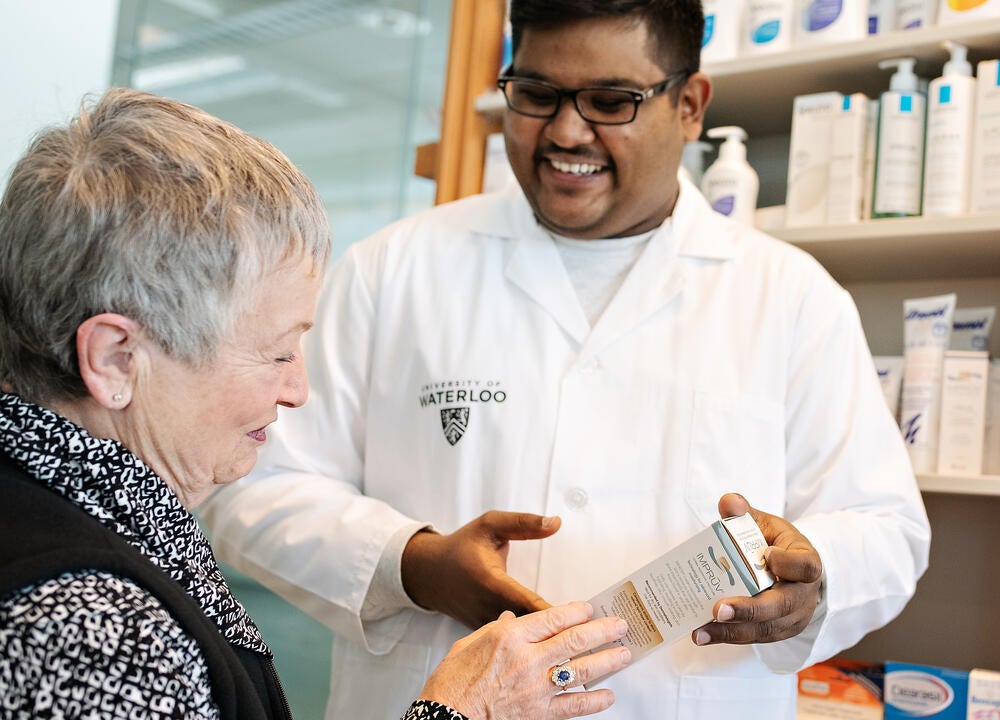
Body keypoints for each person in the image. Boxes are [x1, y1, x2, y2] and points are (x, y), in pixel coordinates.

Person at [200, 0, 931, 717]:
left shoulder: (791, 296)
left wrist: (815, 578)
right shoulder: (393, 271)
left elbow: (886, 528)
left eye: (612, 101)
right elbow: (249, 486)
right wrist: (411, 564)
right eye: (538, 95)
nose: (566, 132)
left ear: (690, 106)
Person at [0, 88, 631, 720]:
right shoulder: (96, 636)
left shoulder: (80, 516)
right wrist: (463, 712)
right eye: (276, 353)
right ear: (114, 359)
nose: (298, 390)